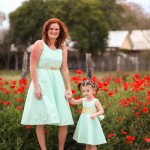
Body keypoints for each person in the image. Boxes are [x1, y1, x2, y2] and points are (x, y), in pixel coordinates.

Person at [21, 18, 74, 150]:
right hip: (42, 83)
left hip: (57, 83)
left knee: (64, 118)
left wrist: (69, 88)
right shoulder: (39, 44)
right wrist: (36, 87)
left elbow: (65, 69)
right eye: (51, 29)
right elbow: (32, 67)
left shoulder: (62, 47)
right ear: (46, 30)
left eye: (57, 29)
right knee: (41, 118)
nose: (54, 31)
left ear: (60, 31)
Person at [67, 80, 107, 150]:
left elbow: (101, 111)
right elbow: (74, 102)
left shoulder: (95, 101)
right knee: (87, 142)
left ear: (93, 90)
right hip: (84, 122)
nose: (85, 93)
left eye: (88, 91)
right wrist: (70, 98)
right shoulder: (83, 100)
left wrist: (95, 114)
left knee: (92, 143)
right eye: (83, 91)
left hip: (92, 123)